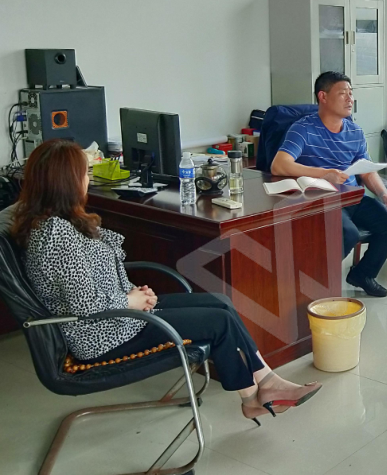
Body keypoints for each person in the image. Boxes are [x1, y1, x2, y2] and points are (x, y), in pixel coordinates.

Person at [12, 139, 320, 426]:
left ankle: (263, 385)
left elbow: (89, 282)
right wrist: (130, 301)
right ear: (66, 182)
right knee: (218, 321)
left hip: (118, 316)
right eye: (83, 174)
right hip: (102, 334)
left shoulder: (57, 224)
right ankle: (255, 395)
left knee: (221, 303)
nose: (87, 180)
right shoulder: (56, 234)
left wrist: (132, 293)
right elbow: (85, 305)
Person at [271, 71, 387, 298]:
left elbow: (366, 170)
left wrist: (383, 193)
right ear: (323, 96)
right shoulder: (303, 129)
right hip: (321, 200)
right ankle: (314, 285)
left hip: (352, 197)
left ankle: (362, 274)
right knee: (347, 233)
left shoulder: (355, 131)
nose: (350, 99)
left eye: (351, 93)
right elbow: (279, 165)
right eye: (343, 93)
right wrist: (324, 174)